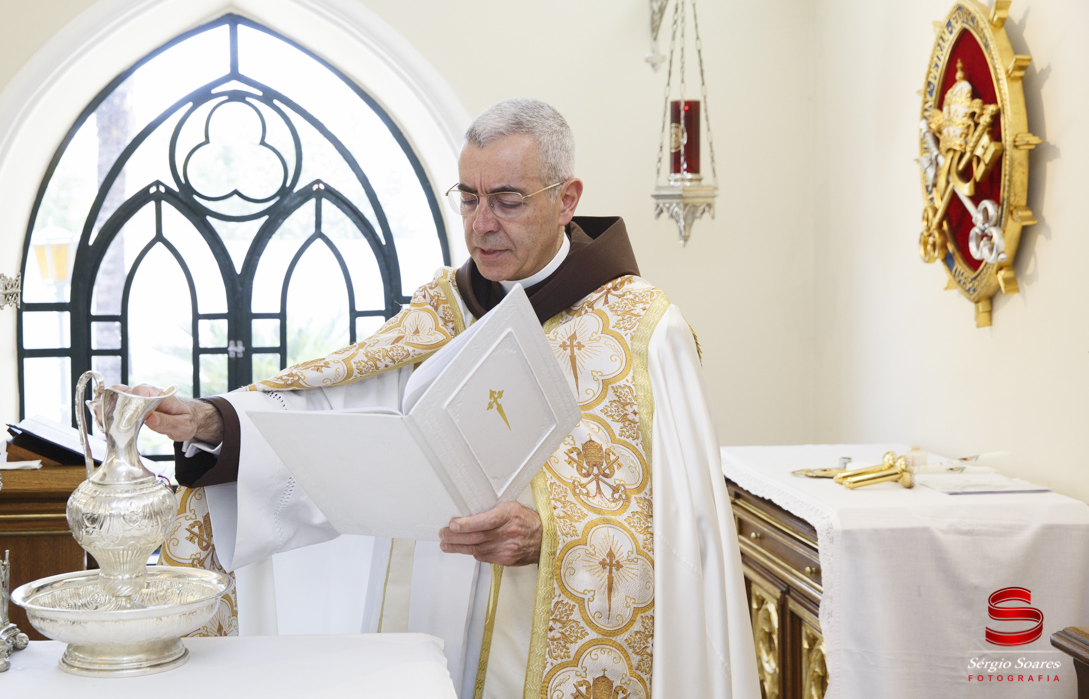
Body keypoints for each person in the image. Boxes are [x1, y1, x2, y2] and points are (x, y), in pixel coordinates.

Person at [139, 99, 758, 699]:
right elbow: (336, 418)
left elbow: (688, 536)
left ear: (566, 200)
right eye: (468, 197)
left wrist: (552, 538)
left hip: (544, 641)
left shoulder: (643, 333)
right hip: (425, 629)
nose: (480, 224)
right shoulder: (445, 312)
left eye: (507, 201)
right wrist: (215, 422)